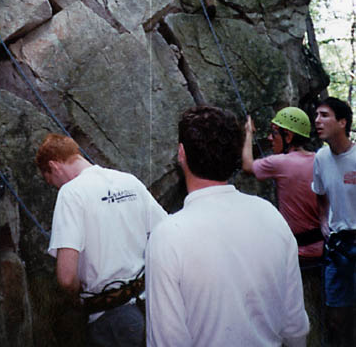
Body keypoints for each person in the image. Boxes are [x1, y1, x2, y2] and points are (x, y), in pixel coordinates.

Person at [146, 105, 309, 347]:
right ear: (234, 156)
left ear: (182, 153)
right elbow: (295, 327)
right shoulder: (271, 217)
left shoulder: (167, 236)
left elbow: (168, 341)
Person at [36, 133, 167, 347]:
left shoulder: (71, 193)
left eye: (52, 181)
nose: (57, 187)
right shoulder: (128, 181)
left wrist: (77, 297)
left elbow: (67, 277)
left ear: (54, 166)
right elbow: (166, 231)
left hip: (111, 319)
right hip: (152, 306)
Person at [242, 107, 324, 261]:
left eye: (274, 133)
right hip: (324, 247)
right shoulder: (320, 160)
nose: (269, 138)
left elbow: (247, 165)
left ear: (288, 136)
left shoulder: (280, 163)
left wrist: (248, 132)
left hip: (297, 252)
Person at [312, 96, 356, 347]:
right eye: (317, 115)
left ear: (342, 122)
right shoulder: (321, 158)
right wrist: (322, 221)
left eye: (324, 115)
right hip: (338, 245)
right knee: (337, 315)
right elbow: (320, 193)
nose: (317, 121)